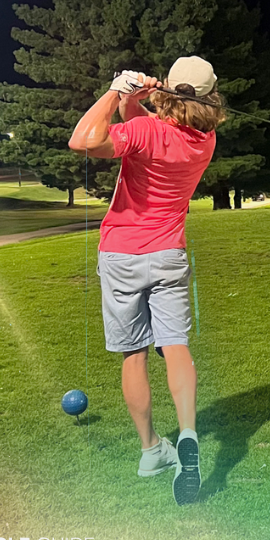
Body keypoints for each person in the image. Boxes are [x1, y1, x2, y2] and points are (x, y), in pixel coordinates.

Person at [68, 56, 224, 506]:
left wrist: (117, 90)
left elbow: (83, 140)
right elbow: (141, 127)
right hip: (169, 253)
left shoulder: (146, 132)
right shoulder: (205, 140)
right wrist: (136, 99)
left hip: (121, 255)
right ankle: (188, 432)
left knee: (134, 355)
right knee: (175, 345)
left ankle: (151, 450)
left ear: (171, 88)